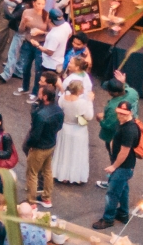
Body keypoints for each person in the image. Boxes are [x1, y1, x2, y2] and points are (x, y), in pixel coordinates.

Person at [23, 78, 64, 209]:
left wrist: (30, 146)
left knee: (32, 173)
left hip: (39, 147)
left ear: (45, 97)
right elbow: (59, 127)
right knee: (47, 171)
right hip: (51, 144)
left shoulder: (40, 115)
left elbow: (35, 135)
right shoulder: (58, 110)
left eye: (40, 94)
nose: (38, 95)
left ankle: (31, 201)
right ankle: (46, 198)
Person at [101, 102, 142, 228]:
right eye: (119, 112)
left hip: (123, 167)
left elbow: (125, 151)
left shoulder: (130, 130)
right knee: (123, 189)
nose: (120, 116)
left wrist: (114, 166)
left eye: (123, 114)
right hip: (123, 166)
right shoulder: (123, 123)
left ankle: (108, 219)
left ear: (130, 112)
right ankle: (123, 213)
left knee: (112, 193)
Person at [55, 67, 94, 185]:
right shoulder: (82, 103)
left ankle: (62, 175)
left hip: (65, 127)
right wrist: (90, 101)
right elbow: (89, 116)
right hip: (78, 130)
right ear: (79, 90)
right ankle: (75, 176)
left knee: (64, 152)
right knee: (76, 153)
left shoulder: (62, 99)